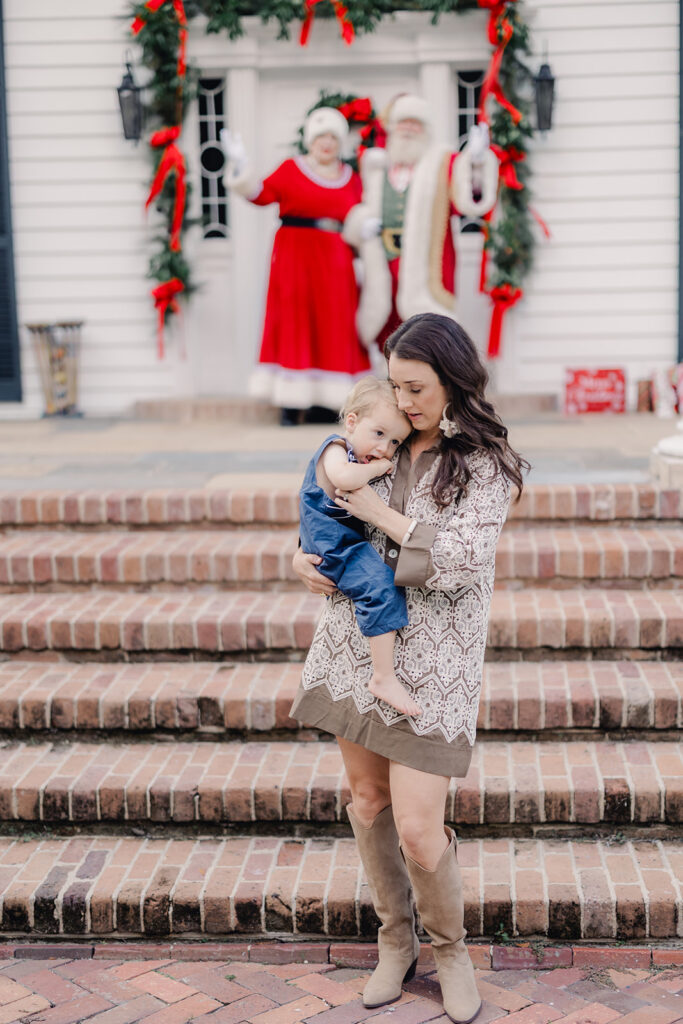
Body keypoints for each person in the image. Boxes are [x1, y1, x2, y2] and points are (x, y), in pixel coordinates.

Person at [290, 312, 527, 1021]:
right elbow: (323, 514)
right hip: (354, 650)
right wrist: (298, 559)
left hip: (435, 669)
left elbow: (458, 562)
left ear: (454, 380)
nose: (405, 402)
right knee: (366, 802)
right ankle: (396, 943)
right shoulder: (376, 441)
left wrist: (380, 514)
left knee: (421, 828)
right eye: (395, 386)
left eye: (417, 387)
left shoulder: (487, 463)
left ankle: (450, 951)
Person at [221, 107, 372, 426]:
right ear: (310, 141)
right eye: (321, 137)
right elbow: (260, 195)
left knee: (335, 324)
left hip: (336, 260)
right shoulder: (292, 169)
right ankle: (291, 403)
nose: (327, 143)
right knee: (294, 321)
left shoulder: (352, 179)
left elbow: (360, 216)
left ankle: (328, 403)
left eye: (333, 137)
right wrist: (241, 166)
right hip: (294, 258)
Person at [299, 377, 419, 717]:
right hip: (333, 544)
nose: (384, 448)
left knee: (379, 584)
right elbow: (344, 479)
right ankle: (383, 677)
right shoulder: (336, 449)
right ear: (352, 422)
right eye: (379, 434)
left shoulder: (356, 454)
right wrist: (380, 467)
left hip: (338, 539)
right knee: (380, 585)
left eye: (395, 442)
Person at [343, 95, 499, 351]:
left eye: (416, 124)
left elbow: (469, 200)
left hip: (427, 265)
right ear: (393, 128)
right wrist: (360, 224)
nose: (409, 130)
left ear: (425, 130)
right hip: (385, 262)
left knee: (428, 333)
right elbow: (352, 206)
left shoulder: (441, 164)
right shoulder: (376, 168)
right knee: (386, 328)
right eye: (404, 123)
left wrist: (477, 162)